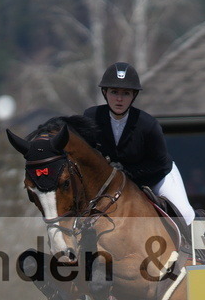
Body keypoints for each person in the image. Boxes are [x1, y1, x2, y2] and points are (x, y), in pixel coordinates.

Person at [84, 62, 196, 225]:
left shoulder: (148, 125)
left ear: (134, 95)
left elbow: (158, 163)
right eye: (114, 92)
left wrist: (126, 172)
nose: (119, 99)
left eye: (126, 93)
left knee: (185, 214)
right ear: (105, 92)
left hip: (156, 175)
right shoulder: (91, 118)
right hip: (110, 181)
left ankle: (201, 242)